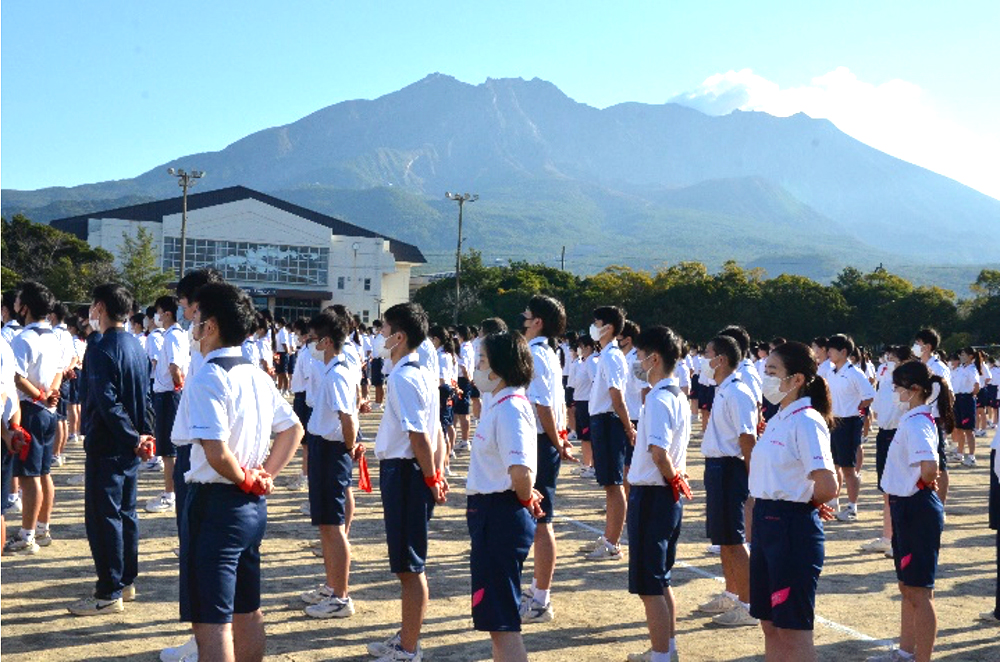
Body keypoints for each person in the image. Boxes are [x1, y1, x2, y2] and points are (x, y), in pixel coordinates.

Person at [178, 281, 304, 662]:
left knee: (211, 621)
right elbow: (293, 428)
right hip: (249, 506)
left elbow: (216, 452)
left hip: (216, 501)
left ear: (211, 325)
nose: (193, 326)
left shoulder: (210, 377)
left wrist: (250, 476)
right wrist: (265, 474)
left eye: (196, 317)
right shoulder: (256, 374)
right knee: (247, 607)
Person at [67, 283, 155, 616]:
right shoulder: (135, 345)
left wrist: (134, 437)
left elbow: (106, 401)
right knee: (125, 514)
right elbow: (144, 397)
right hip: (130, 444)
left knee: (104, 517)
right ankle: (125, 580)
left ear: (100, 307)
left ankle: (109, 590)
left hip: (110, 443)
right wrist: (144, 433)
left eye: (93, 305)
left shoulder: (100, 347)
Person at [750, 341, 838, 661]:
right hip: (767, 523)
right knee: (770, 624)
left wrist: (804, 502)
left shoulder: (806, 420)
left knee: (793, 628)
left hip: (790, 528)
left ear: (797, 379)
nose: (766, 377)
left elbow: (828, 485)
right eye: (765, 371)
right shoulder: (778, 418)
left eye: (773, 371)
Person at [368, 302, 446, 662]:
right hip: (409, 472)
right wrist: (435, 473)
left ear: (399, 337)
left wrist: (431, 477)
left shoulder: (404, 377)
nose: (379, 337)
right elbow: (437, 434)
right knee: (406, 563)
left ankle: (409, 648)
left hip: (407, 473)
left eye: (384, 330)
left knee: (410, 566)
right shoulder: (421, 372)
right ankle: (406, 635)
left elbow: (421, 437)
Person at [866, 360, 951, 662]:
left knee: (919, 591)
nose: (894, 393)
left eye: (897, 387)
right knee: (908, 587)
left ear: (914, 390)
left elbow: (930, 467)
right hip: (906, 506)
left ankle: (921, 658)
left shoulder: (916, 423)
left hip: (915, 507)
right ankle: (905, 652)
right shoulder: (913, 418)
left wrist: (918, 484)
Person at [466, 331, 543, 662]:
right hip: (489, 513)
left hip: (499, 515)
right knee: (495, 619)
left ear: (498, 368)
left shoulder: (511, 407)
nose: (477, 366)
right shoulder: (497, 403)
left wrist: (526, 498)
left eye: (482, 360)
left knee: (502, 620)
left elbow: (520, 473)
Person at [625, 326, 692, 662]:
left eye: (639, 355)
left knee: (650, 584)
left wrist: (673, 479)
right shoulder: (676, 396)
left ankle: (661, 655)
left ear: (654, 358)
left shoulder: (660, 398)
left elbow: (659, 452)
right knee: (661, 579)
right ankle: (666, 648)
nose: (636, 361)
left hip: (653, 495)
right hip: (664, 495)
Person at [300, 309, 361, 619]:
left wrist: (349, 449)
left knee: (334, 527)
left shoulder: (337, 372)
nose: (309, 343)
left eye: (312, 338)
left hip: (332, 450)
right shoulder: (332, 369)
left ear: (325, 341)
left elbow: (347, 418)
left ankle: (341, 596)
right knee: (325, 525)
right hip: (325, 448)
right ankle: (331, 586)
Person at [696, 334, 759, 627]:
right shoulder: (723, 389)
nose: (702, 359)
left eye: (706, 353)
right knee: (723, 538)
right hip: (717, 467)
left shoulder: (737, 392)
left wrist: (753, 478)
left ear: (720, 359)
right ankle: (733, 593)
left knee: (734, 539)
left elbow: (748, 438)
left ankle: (748, 604)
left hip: (730, 468)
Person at [519, 295, 574, 624]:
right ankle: (538, 591)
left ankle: (541, 598)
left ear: (538, 322)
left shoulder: (538, 354)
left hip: (541, 442)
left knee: (541, 520)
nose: (522, 321)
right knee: (538, 518)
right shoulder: (546, 352)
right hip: (544, 440)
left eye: (526, 317)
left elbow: (542, 407)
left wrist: (557, 443)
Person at [4, 281, 63, 554]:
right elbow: (60, 370)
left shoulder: (23, 338)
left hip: (31, 408)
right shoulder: (53, 335)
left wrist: (39, 396)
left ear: (25, 307)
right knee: (43, 471)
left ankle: (27, 535)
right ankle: (42, 527)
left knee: (29, 476)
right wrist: (51, 392)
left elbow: (15, 377)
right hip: (49, 409)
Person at [586, 305, 633, 562]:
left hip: (609, 421)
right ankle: (608, 537)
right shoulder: (606, 354)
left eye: (597, 321)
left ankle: (613, 543)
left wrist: (628, 427)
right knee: (609, 484)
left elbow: (617, 396)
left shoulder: (612, 356)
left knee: (614, 485)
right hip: (602, 420)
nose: (593, 326)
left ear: (610, 327)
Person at [860, 345, 913, 556]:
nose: (887, 361)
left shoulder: (907, 382)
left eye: (893, 358)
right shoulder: (885, 377)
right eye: (888, 357)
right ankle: (888, 536)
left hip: (898, 434)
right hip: (884, 433)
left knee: (900, 489)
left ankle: (900, 539)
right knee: (886, 489)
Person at [825, 333, 876, 521]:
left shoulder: (855, 373)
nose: (828, 352)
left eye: (832, 349)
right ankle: (833, 501)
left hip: (849, 422)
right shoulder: (831, 371)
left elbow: (869, 395)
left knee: (848, 468)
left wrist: (855, 409)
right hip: (833, 421)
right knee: (833, 464)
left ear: (843, 351)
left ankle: (852, 506)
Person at [147, 295, 190, 514]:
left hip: (168, 395)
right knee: (170, 448)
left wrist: (177, 387)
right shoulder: (177, 334)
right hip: (171, 394)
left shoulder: (172, 336)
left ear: (167, 314)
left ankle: (169, 494)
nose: (155, 316)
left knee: (168, 449)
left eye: (158, 311)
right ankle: (172, 491)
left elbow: (175, 368)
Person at [911, 329, 952, 505]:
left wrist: (943, 418)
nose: (915, 347)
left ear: (927, 346)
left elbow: (949, 395)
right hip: (919, 418)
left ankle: (940, 505)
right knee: (922, 462)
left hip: (934, 419)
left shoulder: (939, 368)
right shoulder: (919, 366)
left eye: (918, 343)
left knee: (939, 465)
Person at [619, 320, 649, 499]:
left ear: (628, 339)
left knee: (629, 465)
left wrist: (646, 416)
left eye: (619, 337)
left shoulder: (637, 361)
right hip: (624, 416)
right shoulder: (621, 358)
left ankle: (629, 501)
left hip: (635, 417)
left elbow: (645, 388)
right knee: (623, 464)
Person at [952, 347, 982, 466]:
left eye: (963, 354)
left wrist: (970, 397)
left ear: (970, 356)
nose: (961, 356)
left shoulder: (971, 369)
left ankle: (971, 456)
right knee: (959, 428)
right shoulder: (960, 369)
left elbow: (976, 386)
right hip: (958, 399)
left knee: (968, 429)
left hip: (966, 399)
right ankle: (960, 454)